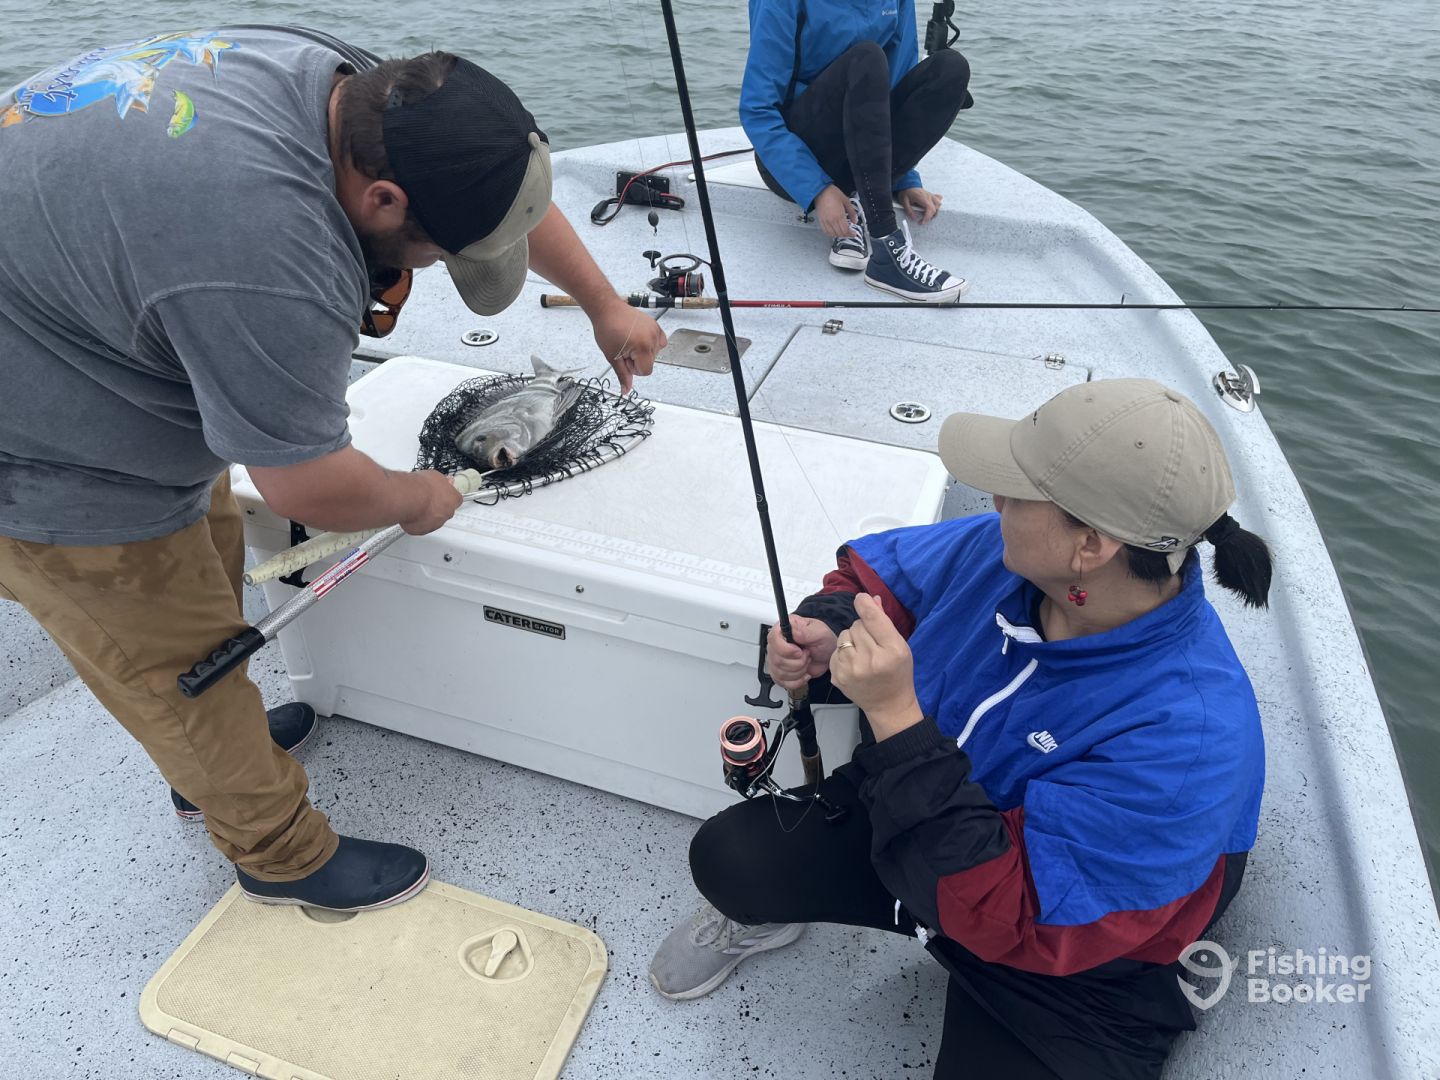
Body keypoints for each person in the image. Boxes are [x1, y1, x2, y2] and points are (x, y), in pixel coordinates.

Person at [0, 27, 665, 913]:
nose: (437, 269)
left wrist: (604, 303)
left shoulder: (367, 96)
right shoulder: (266, 252)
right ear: (383, 201)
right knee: (172, 662)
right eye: (440, 255)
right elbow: (306, 485)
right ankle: (277, 853)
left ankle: (217, 749)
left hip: (83, 314)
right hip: (44, 454)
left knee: (204, 580)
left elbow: (503, 187)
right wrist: (416, 496)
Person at [649, 379, 1272, 1079]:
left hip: (1066, 954)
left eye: (1019, 492)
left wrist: (895, 718)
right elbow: (882, 579)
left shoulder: (1190, 736)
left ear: (1090, 546)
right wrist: (830, 626)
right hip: (924, 809)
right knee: (731, 859)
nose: (995, 500)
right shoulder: (1009, 553)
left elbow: (1014, 914)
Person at [740, 0, 974, 302]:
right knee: (867, 57)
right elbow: (758, 110)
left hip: (861, 150)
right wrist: (817, 189)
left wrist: (903, 178)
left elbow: (899, 86)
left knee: (950, 69)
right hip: (794, 159)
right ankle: (886, 251)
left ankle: (865, 195)